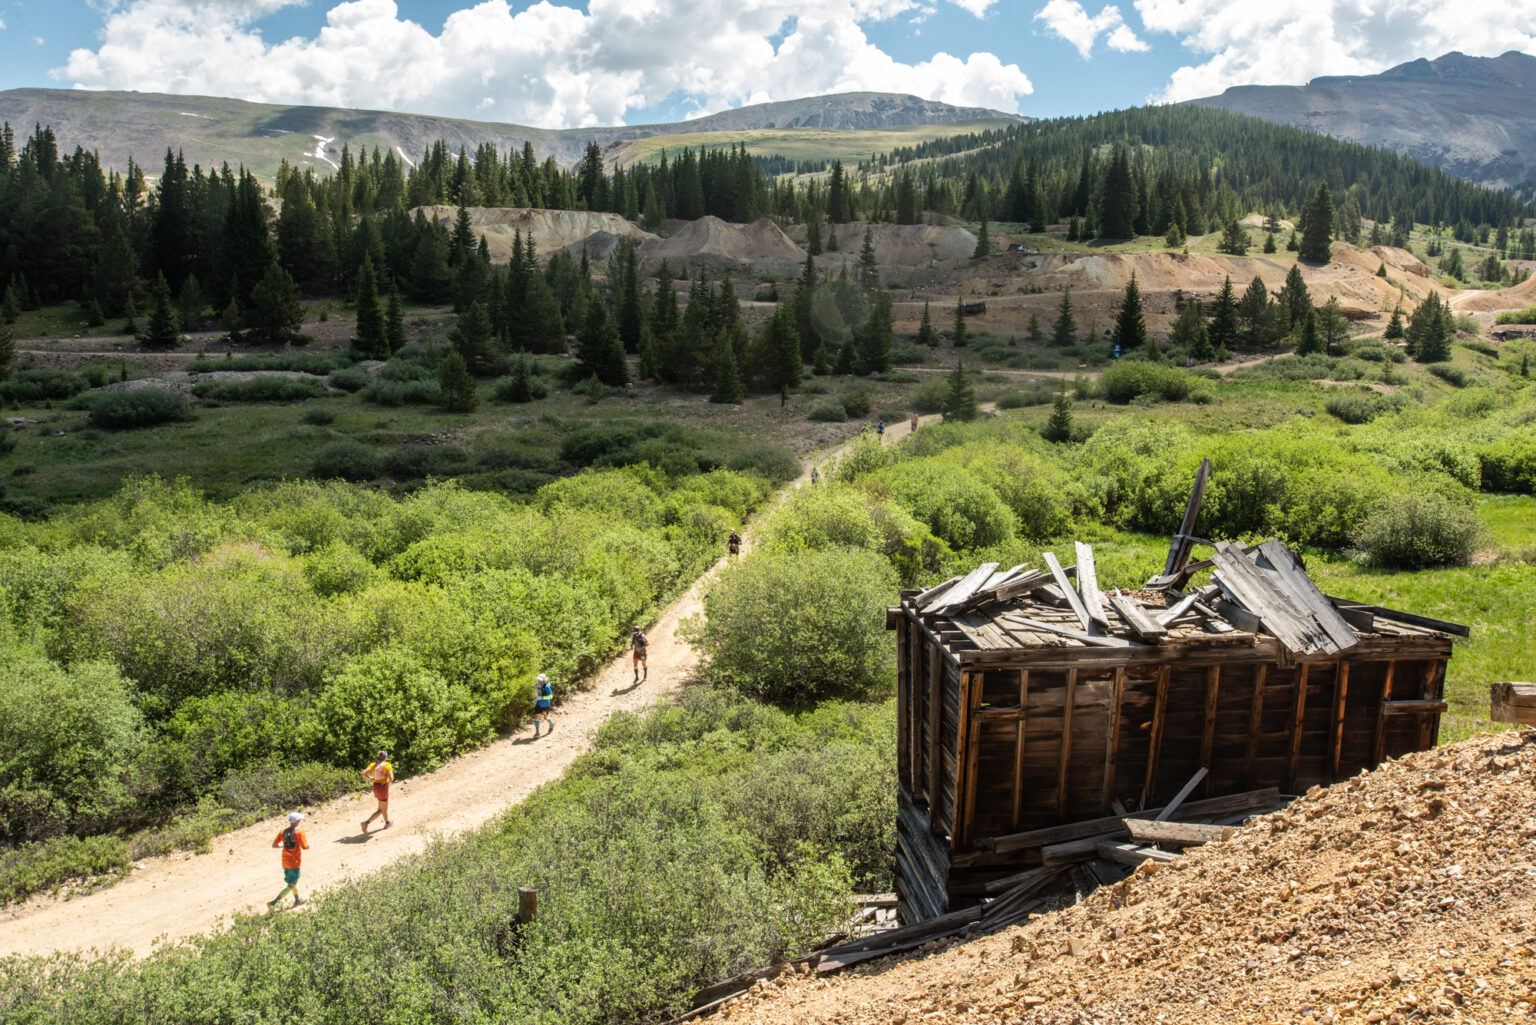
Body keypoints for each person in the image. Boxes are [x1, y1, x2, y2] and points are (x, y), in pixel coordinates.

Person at [269, 812, 309, 909]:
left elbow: (274, 845)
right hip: (294, 863)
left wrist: (281, 846)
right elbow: (305, 847)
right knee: (291, 885)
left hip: (285, 862)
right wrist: (308, 846)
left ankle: (298, 900)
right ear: (297, 821)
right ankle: (274, 902)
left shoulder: (283, 832)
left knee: (293, 882)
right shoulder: (300, 832)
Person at [361, 750, 393, 834]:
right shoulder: (387, 765)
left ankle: (387, 823)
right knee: (381, 809)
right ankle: (366, 823)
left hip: (376, 786)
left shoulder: (373, 765)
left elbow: (363, 773)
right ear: (385, 757)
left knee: (384, 806)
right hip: (383, 787)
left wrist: (370, 778)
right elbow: (391, 778)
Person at [532, 673, 554, 737]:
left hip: (546, 705)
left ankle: (551, 723)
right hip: (538, 704)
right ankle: (537, 732)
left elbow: (550, 696)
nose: (539, 681)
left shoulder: (546, 687)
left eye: (540, 680)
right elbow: (537, 693)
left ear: (544, 680)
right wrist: (535, 697)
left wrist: (541, 698)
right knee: (537, 717)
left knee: (545, 718)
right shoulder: (536, 685)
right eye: (539, 680)